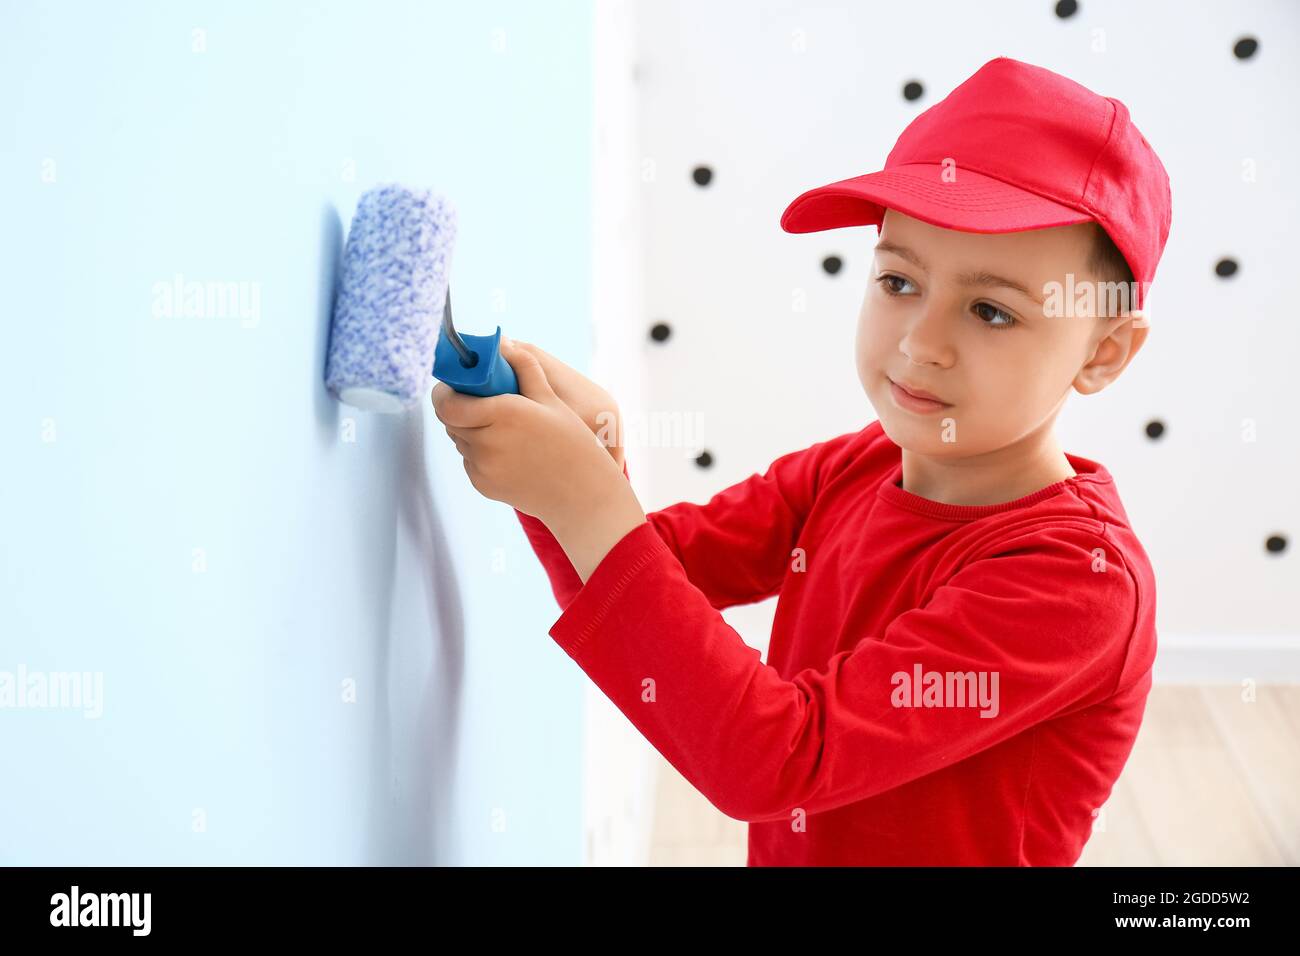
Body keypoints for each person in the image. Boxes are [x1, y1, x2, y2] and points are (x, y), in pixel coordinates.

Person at [433, 56, 1170, 866]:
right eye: (899, 281)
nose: (922, 344)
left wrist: (581, 500)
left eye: (991, 311)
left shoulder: (1079, 581)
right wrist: (582, 459)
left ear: (1103, 352)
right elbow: (644, 570)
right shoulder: (857, 467)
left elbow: (776, 757)